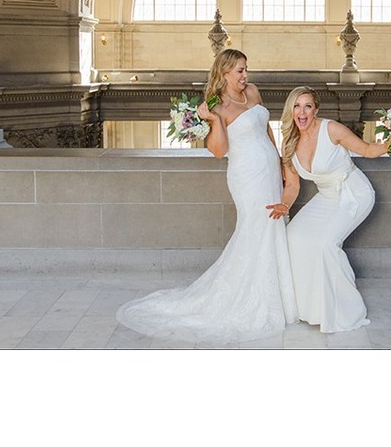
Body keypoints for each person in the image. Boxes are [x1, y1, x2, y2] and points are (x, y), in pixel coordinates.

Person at [116, 49, 297, 345]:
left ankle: (281, 295)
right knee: (256, 227)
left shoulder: (253, 92)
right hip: (246, 176)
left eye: (246, 69)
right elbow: (218, 151)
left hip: (268, 168)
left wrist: (278, 162)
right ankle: (244, 297)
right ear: (224, 73)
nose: (245, 76)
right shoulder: (216, 105)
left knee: (273, 226)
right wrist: (214, 120)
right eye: (239, 70)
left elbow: (266, 129)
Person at [268, 86, 389, 333]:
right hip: (326, 197)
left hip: (354, 193)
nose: (302, 112)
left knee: (324, 245)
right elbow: (292, 185)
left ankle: (345, 309)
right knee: (293, 237)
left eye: (307, 106)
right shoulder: (289, 144)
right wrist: (284, 204)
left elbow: (366, 149)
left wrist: (390, 143)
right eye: (297, 106)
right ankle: (308, 308)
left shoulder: (331, 129)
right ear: (290, 110)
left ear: (316, 109)